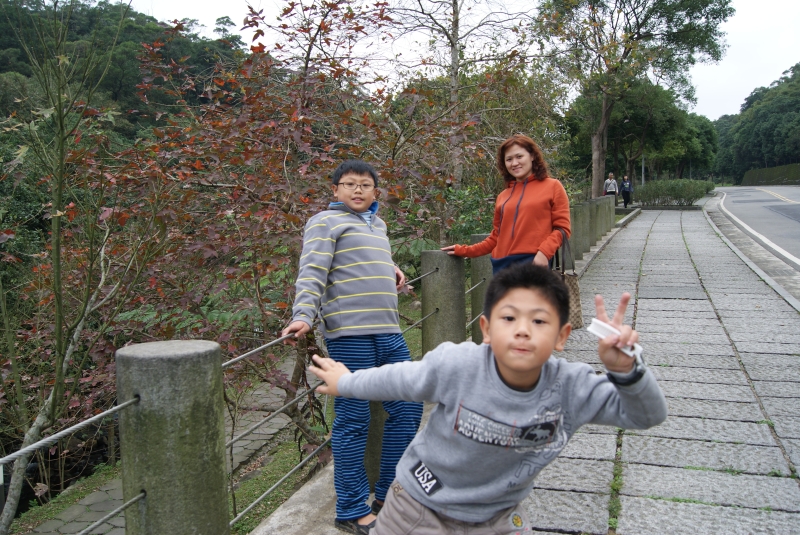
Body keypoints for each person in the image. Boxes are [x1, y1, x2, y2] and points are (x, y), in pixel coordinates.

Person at [309, 263, 668, 535]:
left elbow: (646, 414)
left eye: (539, 322)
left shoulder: (571, 388)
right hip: (417, 507)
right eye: (509, 318)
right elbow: (400, 379)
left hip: (497, 519)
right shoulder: (458, 364)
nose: (523, 329)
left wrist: (628, 370)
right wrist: (347, 381)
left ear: (562, 336)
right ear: (486, 330)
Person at [282, 159, 423, 535]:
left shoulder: (378, 225)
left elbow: (364, 258)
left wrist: (390, 267)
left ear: (376, 193)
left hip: (389, 332)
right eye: (349, 184)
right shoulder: (324, 222)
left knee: (408, 409)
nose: (358, 190)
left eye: (365, 185)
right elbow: (312, 272)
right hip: (350, 335)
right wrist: (303, 315)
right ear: (335, 190)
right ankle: (349, 508)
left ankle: (387, 494)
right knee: (354, 420)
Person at [441, 134, 571, 274]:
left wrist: (544, 253)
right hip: (501, 267)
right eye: (509, 159)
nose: (514, 163)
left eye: (519, 156)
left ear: (532, 156)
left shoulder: (553, 186)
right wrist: (464, 250)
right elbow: (496, 238)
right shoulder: (503, 196)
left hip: (533, 264)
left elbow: (563, 230)